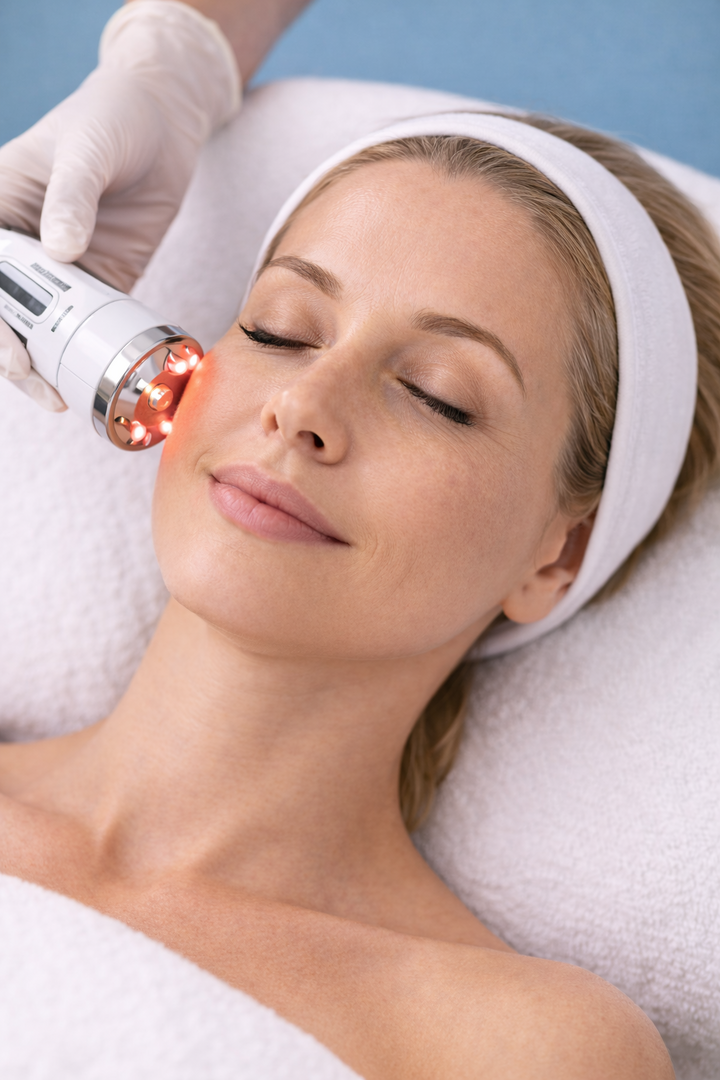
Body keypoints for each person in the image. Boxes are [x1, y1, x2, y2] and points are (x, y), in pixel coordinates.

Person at [2, 3, 720, 1077]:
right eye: (280, 328)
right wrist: (165, 56)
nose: (301, 407)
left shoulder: (516, 1046)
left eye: (438, 396)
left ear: (556, 557)